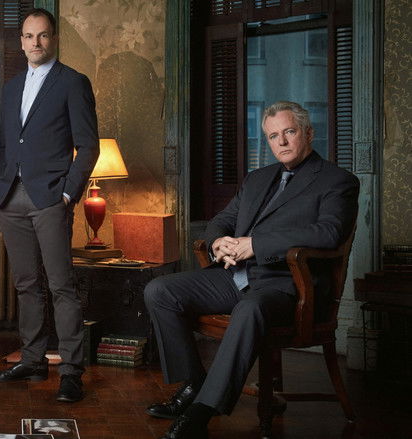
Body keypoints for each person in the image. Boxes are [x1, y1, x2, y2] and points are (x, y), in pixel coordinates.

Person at [143, 101, 359, 438]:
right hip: (236, 277)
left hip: (287, 285)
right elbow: (223, 220)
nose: (281, 141)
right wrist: (218, 242)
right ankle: (194, 383)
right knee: (160, 290)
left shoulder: (337, 180)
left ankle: (202, 411)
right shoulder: (257, 178)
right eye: (273, 136)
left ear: (308, 133)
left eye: (289, 132)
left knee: (249, 309)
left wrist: (256, 244)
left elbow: (328, 233)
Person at [0, 8, 99, 403]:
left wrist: (67, 194)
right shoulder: (11, 87)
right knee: (26, 285)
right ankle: (32, 361)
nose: (36, 42)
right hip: (10, 198)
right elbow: (6, 144)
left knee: (61, 286)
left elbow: (88, 146)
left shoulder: (73, 82)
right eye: (29, 36)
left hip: (50, 198)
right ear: (21, 42)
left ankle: (71, 373)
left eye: (43, 35)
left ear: (54, 39)